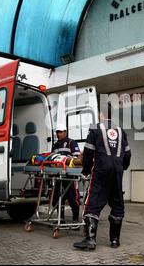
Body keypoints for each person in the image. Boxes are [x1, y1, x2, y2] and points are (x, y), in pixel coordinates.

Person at [73, 106, 131, 250]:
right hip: (117, 169)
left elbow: (88, 153)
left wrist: (86, 170)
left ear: (101, 114)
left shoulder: (95, 128)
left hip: (101, 168)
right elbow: (128, 155)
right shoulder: (121, 131)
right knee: (117, 203)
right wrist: (120, 168)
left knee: (94, 201)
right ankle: (115, 241)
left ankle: (90, 240)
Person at [52, 123, 81, 224]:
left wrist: (67, 162)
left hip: (70, 175)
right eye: (57, 132)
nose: (58, 134)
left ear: (65, 132)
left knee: (72, 197)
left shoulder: (71, 142)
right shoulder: (55, 145)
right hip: (58, 175)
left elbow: (78, 158)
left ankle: (76, 220)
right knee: (57, 197)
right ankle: (61, 219)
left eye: (60, 132)